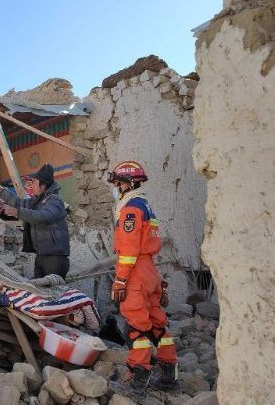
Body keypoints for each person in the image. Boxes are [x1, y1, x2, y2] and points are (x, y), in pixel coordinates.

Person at [105, 161, 179, 401]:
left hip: (135, 272)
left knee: (136, 328)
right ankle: (169, 377)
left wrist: (120, 280)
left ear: (129, 183)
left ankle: (137, 384)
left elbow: (129, 248)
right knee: (158, 326)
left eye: (118, 183)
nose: (116, 188)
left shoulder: (130, 209)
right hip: (150, 271)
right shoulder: (146, 205)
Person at [0, 164, 70, 278]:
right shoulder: (36, 201)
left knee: (54, 288)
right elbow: (19, 203)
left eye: (35, 183)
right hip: (41, 255)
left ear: (43, 185)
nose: (32, 186)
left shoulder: (55, 200)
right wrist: (1, 190)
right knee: (39, 287)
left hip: (55, 258)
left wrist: (18, 212)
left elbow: (43, 216)